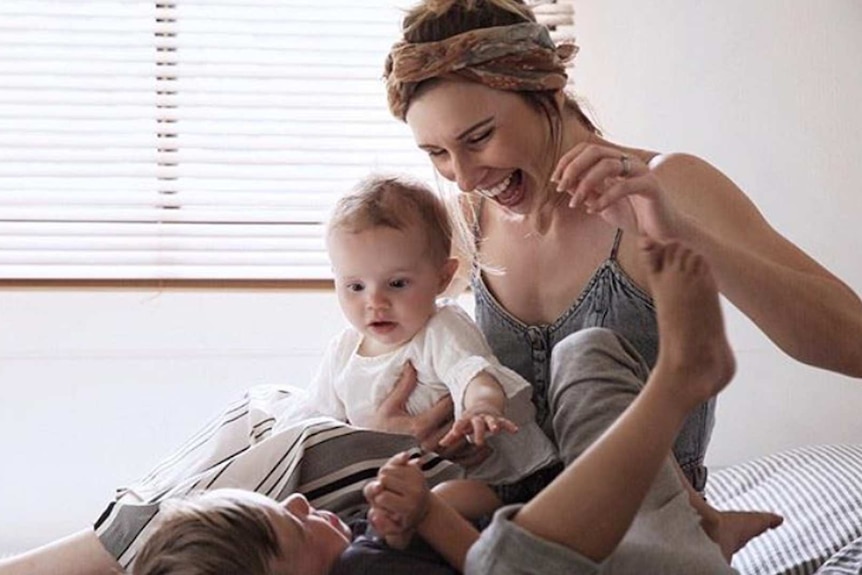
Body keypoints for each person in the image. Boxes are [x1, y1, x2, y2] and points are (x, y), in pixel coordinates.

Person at [370, 0, 862, 564]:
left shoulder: (664, 186)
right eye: (436, 153)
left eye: (479, 137)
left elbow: (854, 342)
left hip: (648, 537)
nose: (464, 174)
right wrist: (436, 437)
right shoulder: (470, 219)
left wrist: (675, 231)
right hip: (518, 523)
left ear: (549, 92)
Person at [132, 239, 743, 575]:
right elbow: (488, 555)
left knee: (584, 354)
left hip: (588, 529)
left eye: (396, 283)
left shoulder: (363, 544)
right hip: (589, 560)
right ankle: (678, 385)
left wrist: (430, 502)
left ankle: (698, 524)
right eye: (287, 524)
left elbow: (490, 491)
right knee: (505, 562)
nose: (296, 500)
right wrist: (427, 511)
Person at [311, 173, 559, 512]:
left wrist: (481, 407)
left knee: (446, 503)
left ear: (442, 279)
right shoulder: (343, 351)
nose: (375, 302)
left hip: (493, 480)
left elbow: (473, 373)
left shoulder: (440, 329)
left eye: (397, 283)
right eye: (355, 287)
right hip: (401, 483)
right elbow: (322, 426)